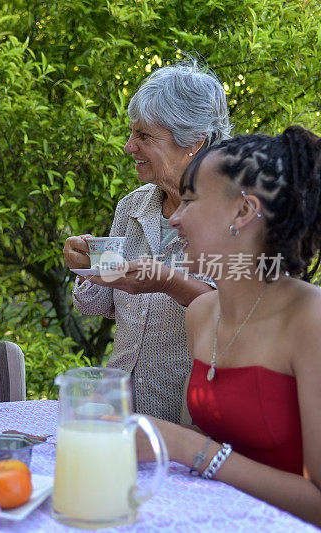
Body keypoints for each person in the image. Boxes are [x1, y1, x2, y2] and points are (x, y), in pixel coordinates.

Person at [136, 126, 321, 526]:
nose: (176, 219)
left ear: (243, 212)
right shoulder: (201, 313)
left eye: (189, 200)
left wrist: (189, 447)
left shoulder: (311, 320)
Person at [62, 60, 230, 423]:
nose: (128, 147)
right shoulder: (133, 205)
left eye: (144, 136)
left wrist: (169, 282)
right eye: (131, 133)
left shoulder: (235, 213)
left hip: (192, 417)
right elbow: (98, 304)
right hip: (119, 410)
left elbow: (239, 316)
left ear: (193, 142)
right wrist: (86, 268)